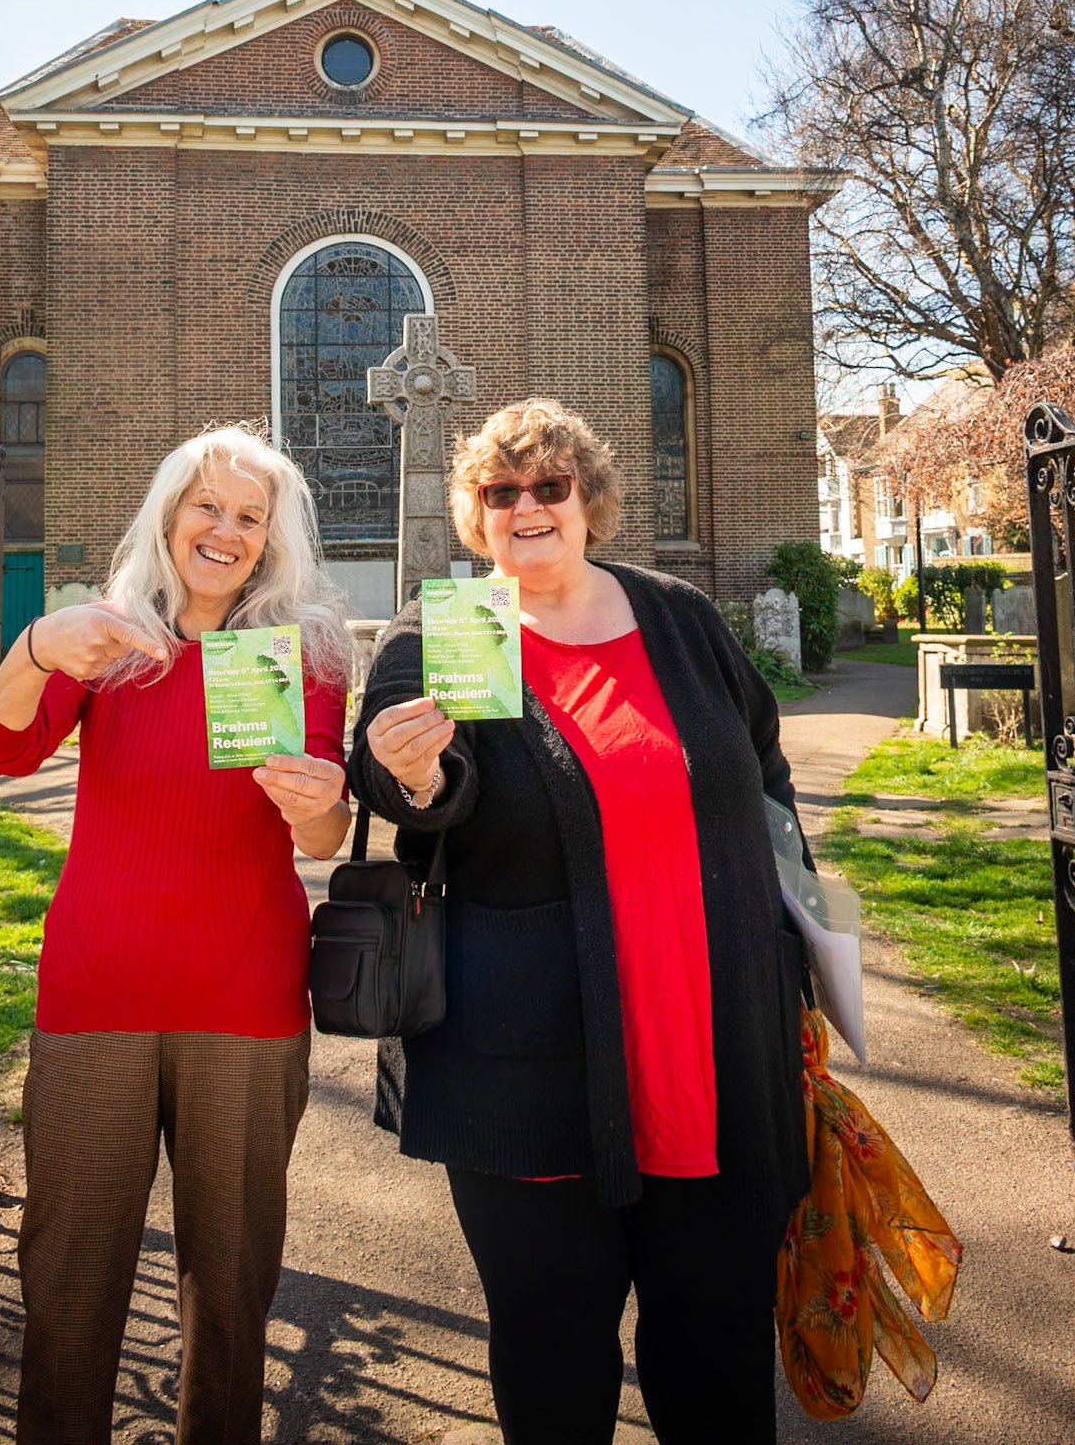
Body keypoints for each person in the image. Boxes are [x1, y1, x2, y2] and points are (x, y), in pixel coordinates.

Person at [348, 398, 811, 1445]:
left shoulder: (679, 616)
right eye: (498, 490)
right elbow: (396, 776)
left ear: (587, 500)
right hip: (531, 1061)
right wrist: (413, 769)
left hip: (715, 1045)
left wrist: (804, 937)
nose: (526, 506)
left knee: (717, 1344)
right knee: (552, 1347)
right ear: (473, 513)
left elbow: (767, 771)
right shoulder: (441, 632)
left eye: (549, 485)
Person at [0, 423, 351, 1445]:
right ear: (170, 513)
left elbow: (321, 833)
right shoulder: (106, 633)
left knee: (230, 1282)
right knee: (69, 1272)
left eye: (249, 516)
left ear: (272, 540)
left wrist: (320, 797)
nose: (224, 530)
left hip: (245, 994)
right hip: (99, 990)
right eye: (207, 507)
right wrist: (35, 645)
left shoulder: (303, 651)